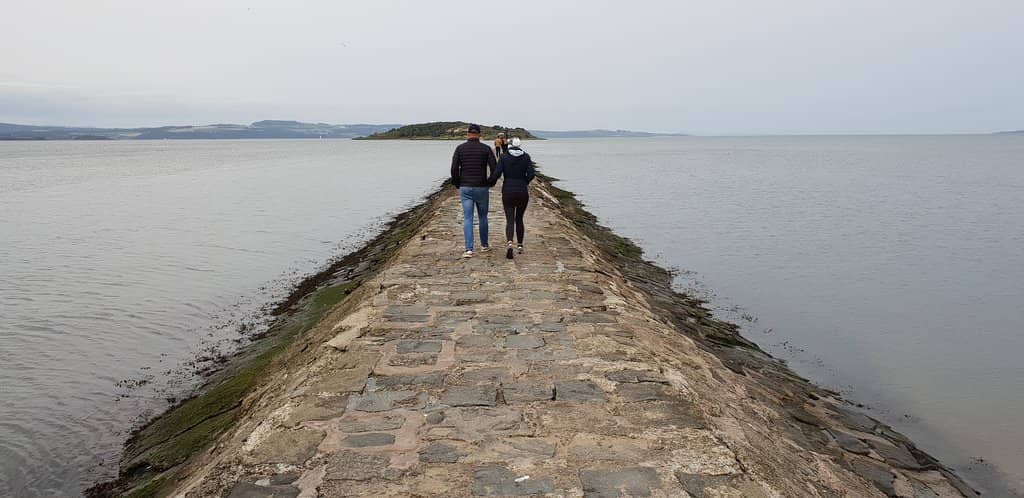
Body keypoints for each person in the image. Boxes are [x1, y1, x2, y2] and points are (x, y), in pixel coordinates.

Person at [450, 123, 497, 258]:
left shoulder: (460, 148)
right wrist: (490, 182)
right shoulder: (486, 149)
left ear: (468, 134)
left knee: (468, 218)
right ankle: (484, 245)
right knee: (483, 217)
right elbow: (495, 169)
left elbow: (454, 169)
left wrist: (457, 183)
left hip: (465, 187)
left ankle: (469, 249)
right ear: (479, 135)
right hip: (481, 187)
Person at [488, 137, 535, 259]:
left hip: (508, 191)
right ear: (520, 145)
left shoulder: (504, 157)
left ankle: (509, 243)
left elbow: (497, 174)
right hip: (522, 191)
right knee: (519, 219)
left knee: (510, 219)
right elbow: (531, 174)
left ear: (509, 145)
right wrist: (524, 182)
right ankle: (520, 245)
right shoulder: (526, 157)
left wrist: (489, 182)